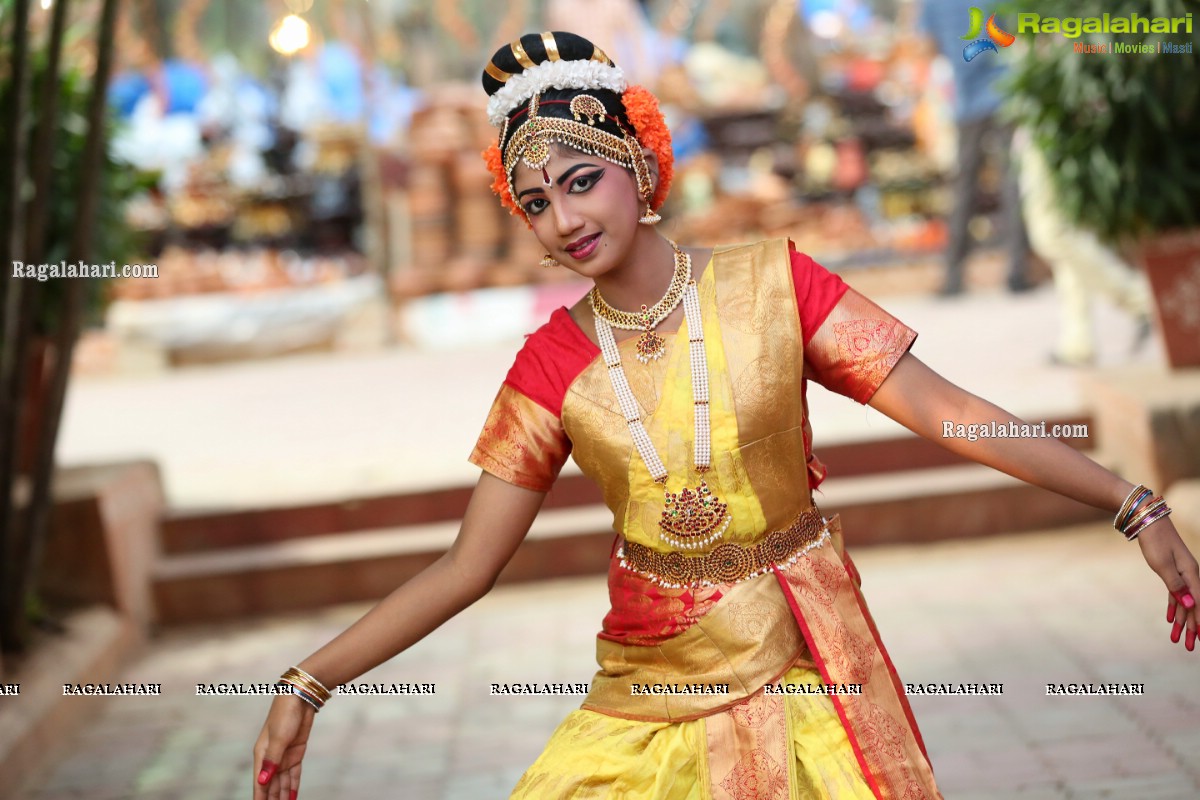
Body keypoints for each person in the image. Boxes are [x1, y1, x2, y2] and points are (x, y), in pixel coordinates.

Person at [252, 31, 1199, 800]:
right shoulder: (553, 363)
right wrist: (309, 682)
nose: (564, 219)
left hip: (806, 665)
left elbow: (948, 411)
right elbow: (468, 564)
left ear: (639, 164)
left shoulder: (772, 286)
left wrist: (1134, 505)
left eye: (583, 182)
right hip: (647, 693)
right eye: (536, 202)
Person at [915, 0, 1031, 296]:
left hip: (967, 100)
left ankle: (953, 276)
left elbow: (928, 44)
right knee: (1011, 183)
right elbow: (1013, 29)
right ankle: (1017, 271)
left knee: (963, 186)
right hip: (1005, 92)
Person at [1015, 131, 1152, 366]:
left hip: (1049, 125)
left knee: (1052, 232)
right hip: (1050, 124)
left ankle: (1142, 299)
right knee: (1068, 229)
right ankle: (1078, 340)